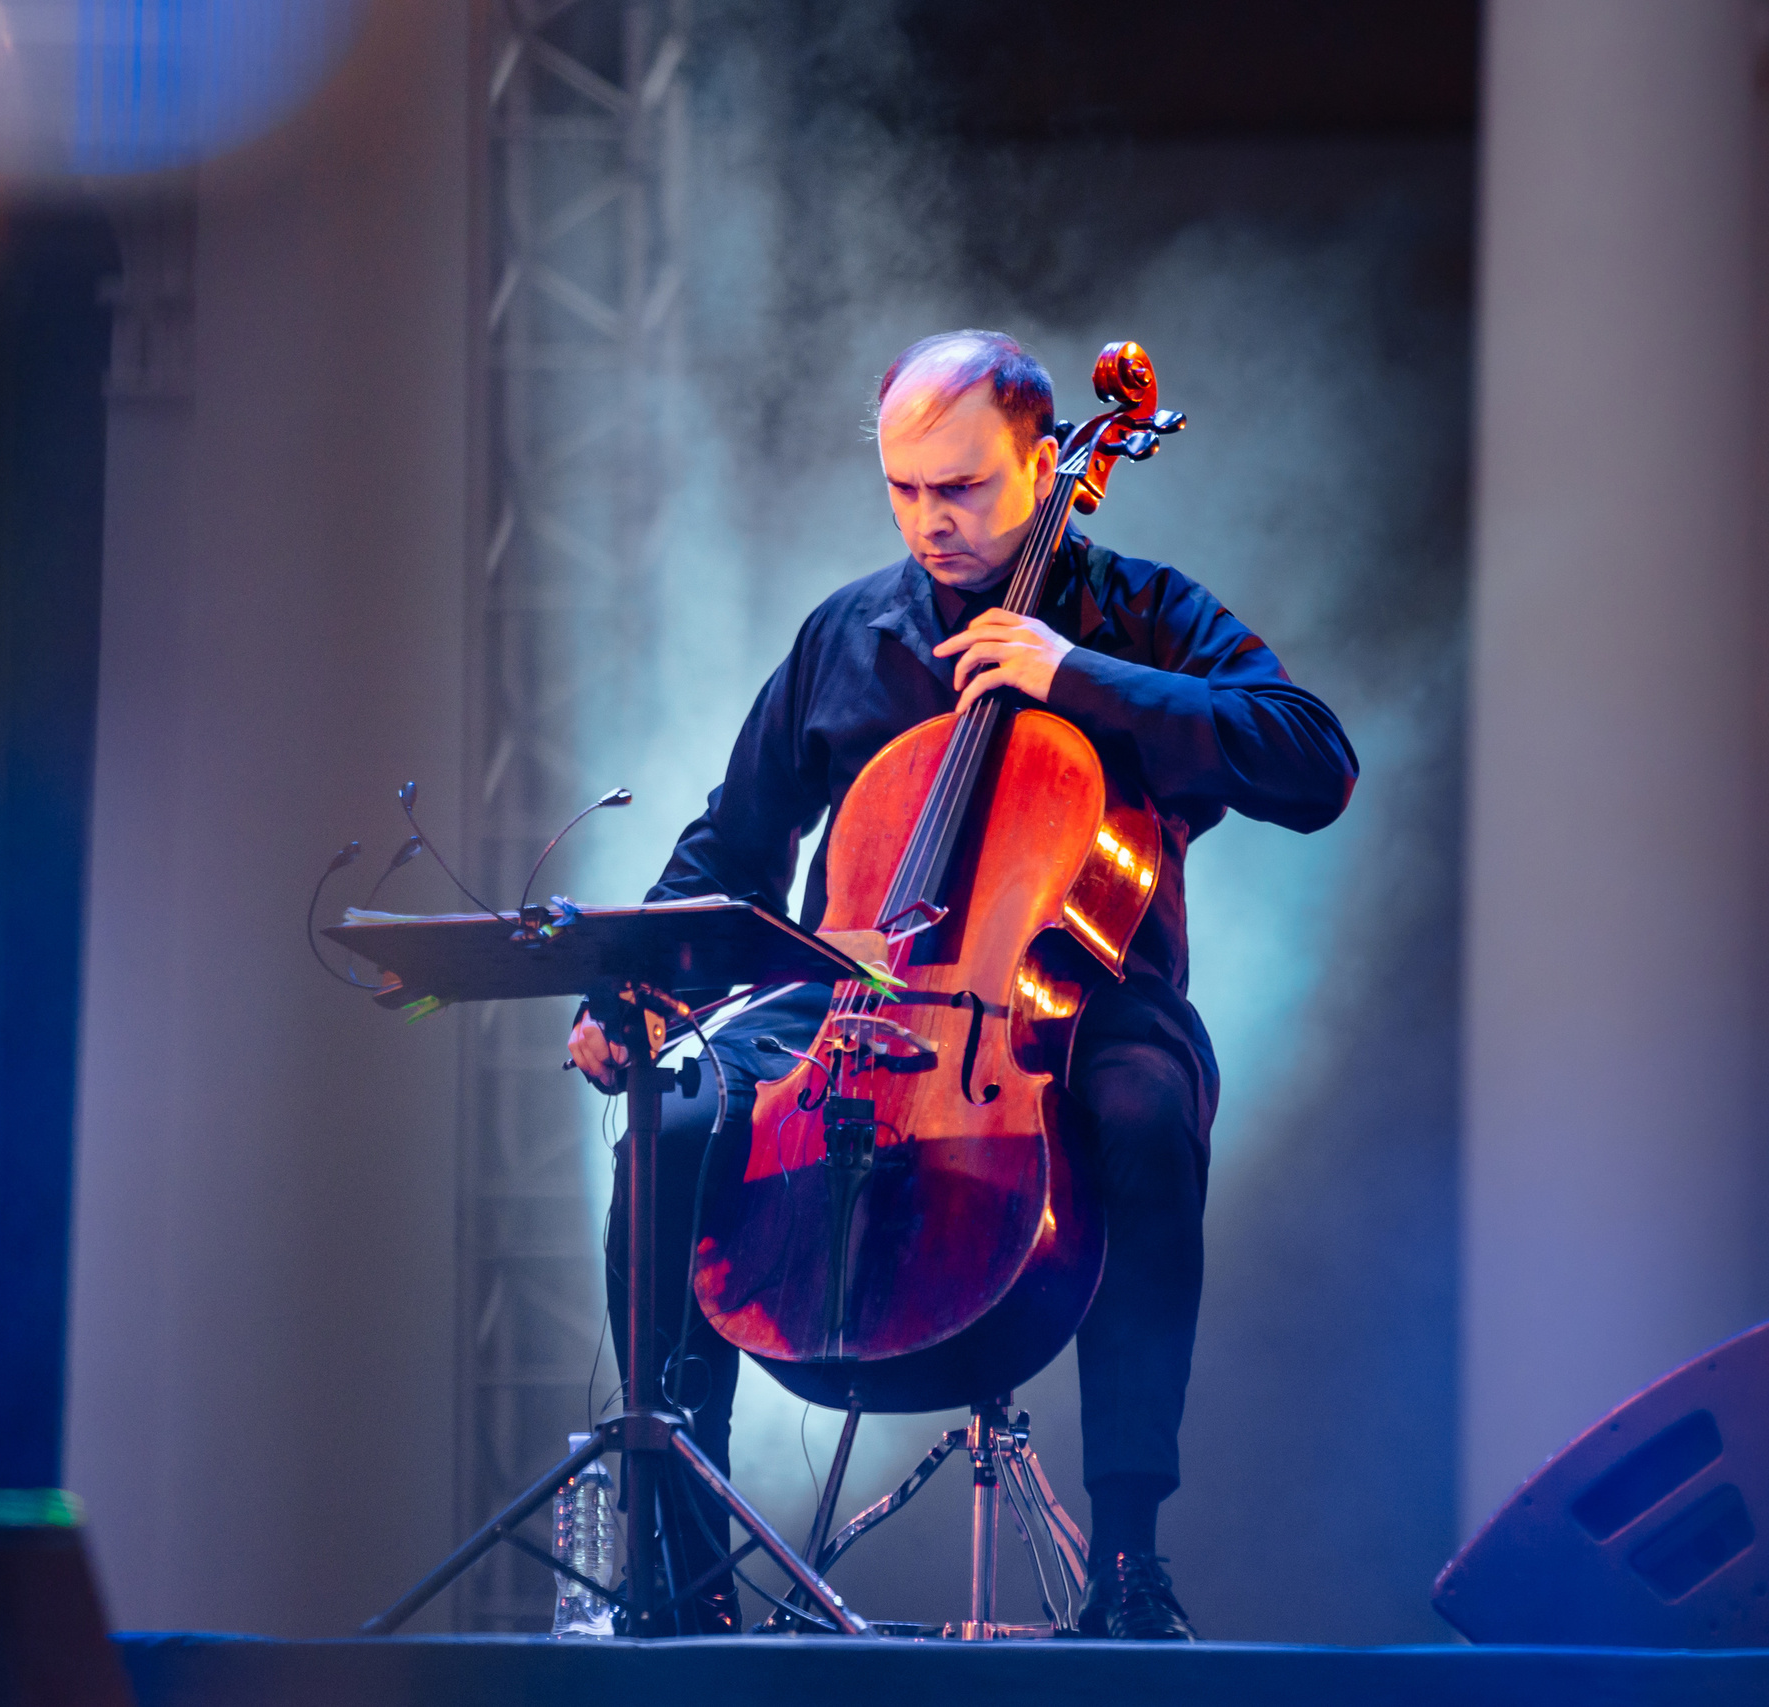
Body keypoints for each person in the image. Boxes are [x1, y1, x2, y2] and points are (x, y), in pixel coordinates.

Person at [567, 329, 1354, 1640]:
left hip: (1084, 995)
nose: (930, 520)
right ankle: (682, 1561)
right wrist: (635, 986)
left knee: (1147, 1109)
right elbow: (737, 845)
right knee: (680, 1114)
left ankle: (1128, 1561)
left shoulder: (1145, 614)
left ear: (1045, 465)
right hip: (854, 996)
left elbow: (1312, 760)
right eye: (904, 489)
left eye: (963, 487)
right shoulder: (848, 635)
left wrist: (1076, 677)